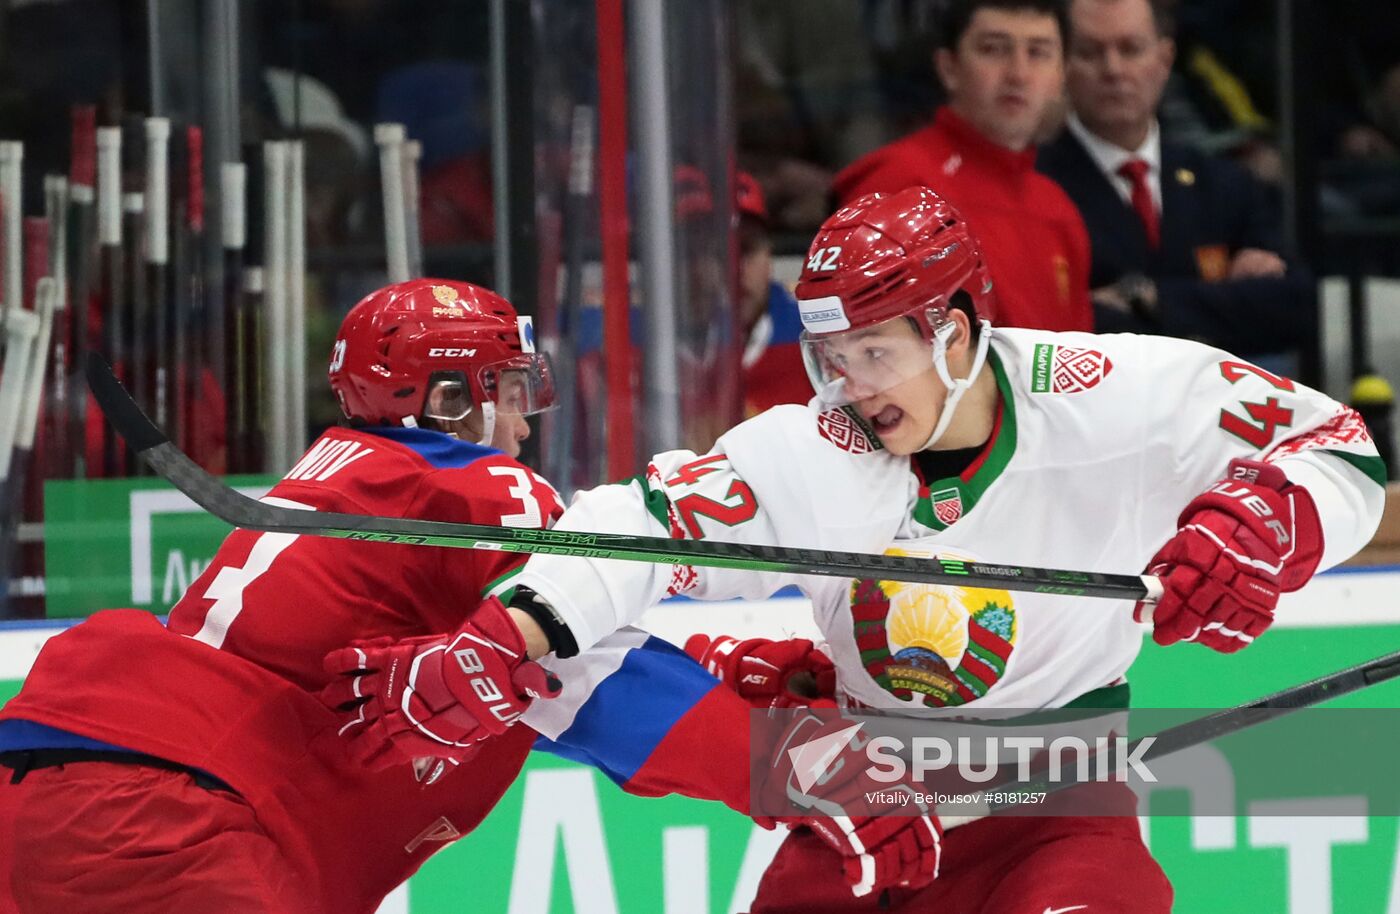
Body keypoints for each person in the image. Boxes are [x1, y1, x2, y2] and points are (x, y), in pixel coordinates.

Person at [341, 187, 1385, 910]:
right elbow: (638, 523)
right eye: (830, 359)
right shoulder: (814, 447)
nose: (850, 388)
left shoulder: (1118, 396)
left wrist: (1277, 521)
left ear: (959, 332)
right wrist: (501, 631)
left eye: (874, 353)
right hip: (871, 820)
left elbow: (1338, 446)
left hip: (1058, 820)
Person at [0, 279, 768, 912]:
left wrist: (743, 665)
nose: (524, 429)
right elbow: (606, 683)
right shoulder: (478, 490)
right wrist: (859, 777)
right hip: (168, 826)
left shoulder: (349, 486)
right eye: (507, 392)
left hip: (36, 795)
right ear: (447, 401)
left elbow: (536, 666)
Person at [1037, 0, 1315, 363]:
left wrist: (1144, 296)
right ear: (1062, 65)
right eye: (1090, 52)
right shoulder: (1037, 185)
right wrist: (1218, 300)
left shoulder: (1222, 181)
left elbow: (1295, 303)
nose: (1113, 69)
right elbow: (1064, 327)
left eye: (1131, 49)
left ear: (1165, 60)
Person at [833, 0, 1094, 333]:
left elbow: (1078, 366)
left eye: (1039, 53)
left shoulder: (1058, 208)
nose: (1018, 73)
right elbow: (857, 347)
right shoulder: (899, 184)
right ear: (949, 68)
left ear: (1061, 76)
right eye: (993, 49)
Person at [736, 170, 811, 416]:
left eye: (746, 249)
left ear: (768, 253)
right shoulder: (638, 344)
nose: (735, 269)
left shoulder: (820, 339)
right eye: (715, 251)